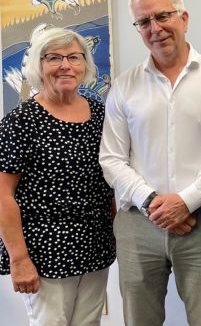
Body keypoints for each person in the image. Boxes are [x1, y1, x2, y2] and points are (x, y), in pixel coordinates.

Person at [99, 0, 201, 326]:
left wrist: (185, 201)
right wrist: (151, 201)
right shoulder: (124, 86)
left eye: (162, 16)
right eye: (144, 22)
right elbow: (112, 158)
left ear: (184, 18)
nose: (155, 28)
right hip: (137, 227)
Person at [0, 27, 115, 325]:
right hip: (43, 255)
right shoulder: (20, 121)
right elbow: (3, 196)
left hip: (94, 248)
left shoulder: (101, 115)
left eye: (74, 57)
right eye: (54, 58)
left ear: (85, 65)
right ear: (39, 66)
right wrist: (19, 259)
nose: (65, 65)